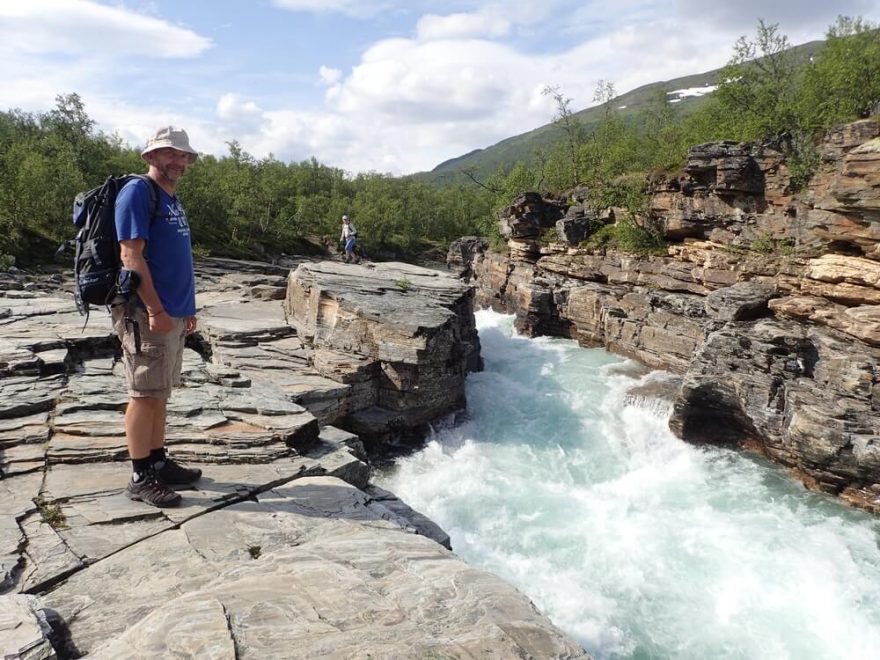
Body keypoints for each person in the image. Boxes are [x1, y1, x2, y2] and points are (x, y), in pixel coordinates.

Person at [113, 126, 201, 507]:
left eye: (183, 155)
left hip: (173, 312)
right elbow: (131, 257)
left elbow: (176, 258)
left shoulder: (172, 197)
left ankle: (158, 461)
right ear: (151, 157)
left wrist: (186, 310)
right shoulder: (138, 192)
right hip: (145, 312)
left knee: (159, 392)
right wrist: (156, 309)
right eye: (171, 154)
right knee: (144, 393)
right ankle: (140, 476)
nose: (179, 161)